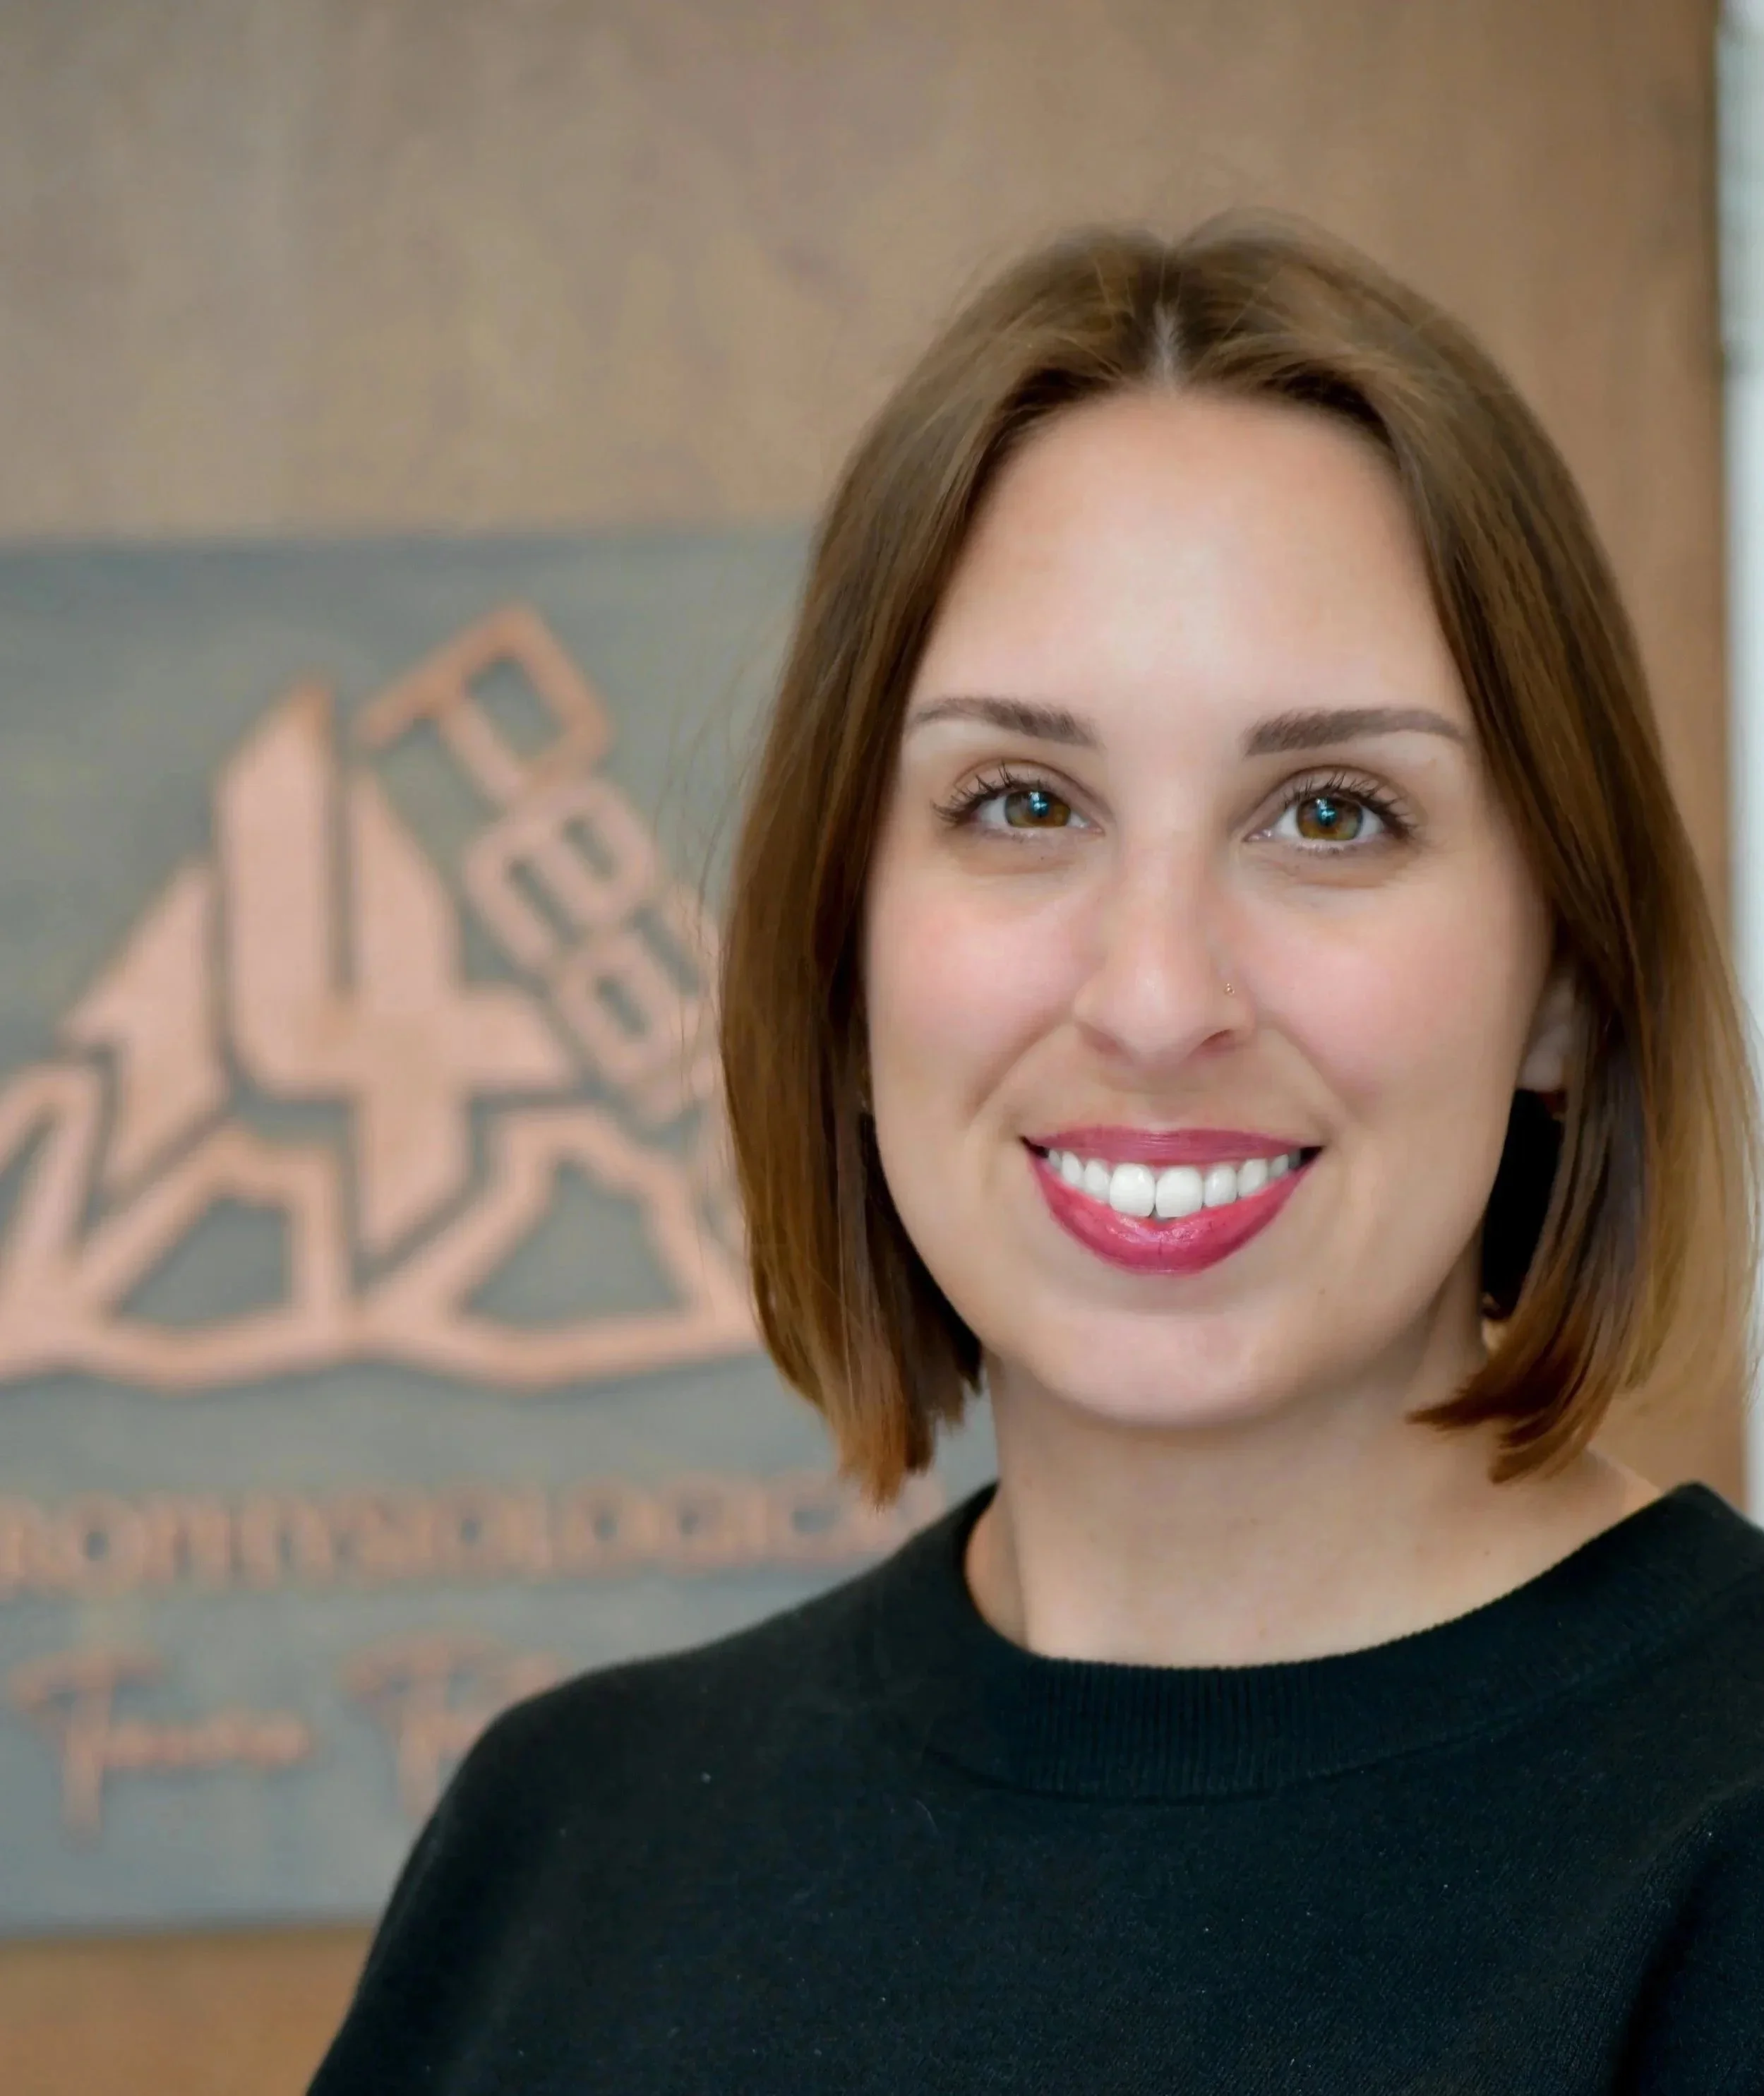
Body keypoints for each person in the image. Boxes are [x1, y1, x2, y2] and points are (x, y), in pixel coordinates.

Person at [311, 220, 1764, 2093]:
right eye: (1021, 802)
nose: (1158, 999)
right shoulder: (560, 1853)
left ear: (1565, 975)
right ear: (839, 950)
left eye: (1332, 812)